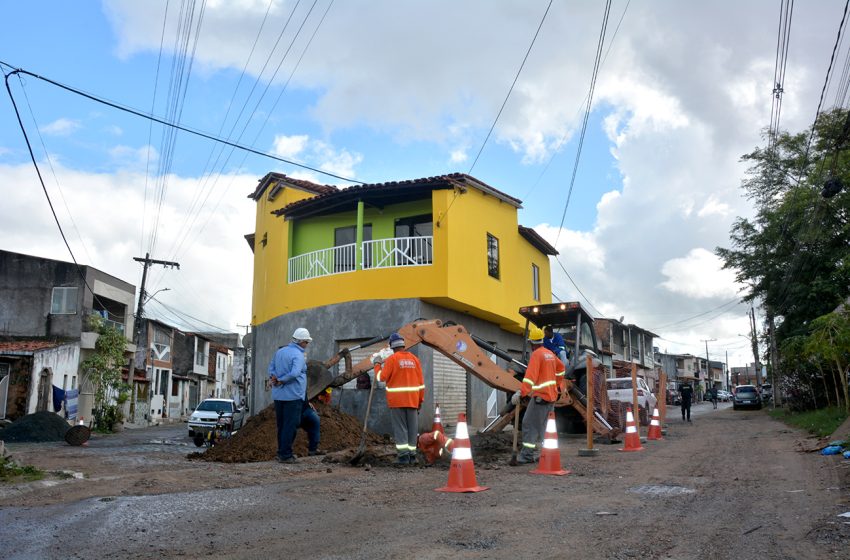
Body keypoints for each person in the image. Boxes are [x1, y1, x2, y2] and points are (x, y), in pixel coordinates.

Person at [512, 327, 566, 464]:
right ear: (542, 340)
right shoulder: (550, 354)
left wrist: (521, 392)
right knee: (545, 428)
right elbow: (561, 369)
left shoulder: (536, 355)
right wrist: (557, 385)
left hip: (540, 398)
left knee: (528, 424)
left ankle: (527, 455)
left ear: (532, 343)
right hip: (551, 397)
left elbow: (530, 378)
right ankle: (547, 455)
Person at [373, 333, 424, 466]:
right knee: (413, 429)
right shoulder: (415, 360)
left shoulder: (392, 359)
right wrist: (420, 401)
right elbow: (421, 384)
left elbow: (381, 377)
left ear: (391, 346)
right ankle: (413, 456)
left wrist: (377, 364)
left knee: (401, 428)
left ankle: (403, 457)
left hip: (397, 401)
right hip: (413, 400)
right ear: (403, 345)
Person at [268, 327, 312, 463]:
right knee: (291, 425)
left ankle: (281, 452)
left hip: (279, 396)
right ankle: (286, 455)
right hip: (293, 395)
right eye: (306, 342)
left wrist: (274, 378)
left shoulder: (279, 352)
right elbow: (294, 373)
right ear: (301, 341)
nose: (307, 345)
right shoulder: (298, 355)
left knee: (281, 425)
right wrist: (281, 380)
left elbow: (271, 368)